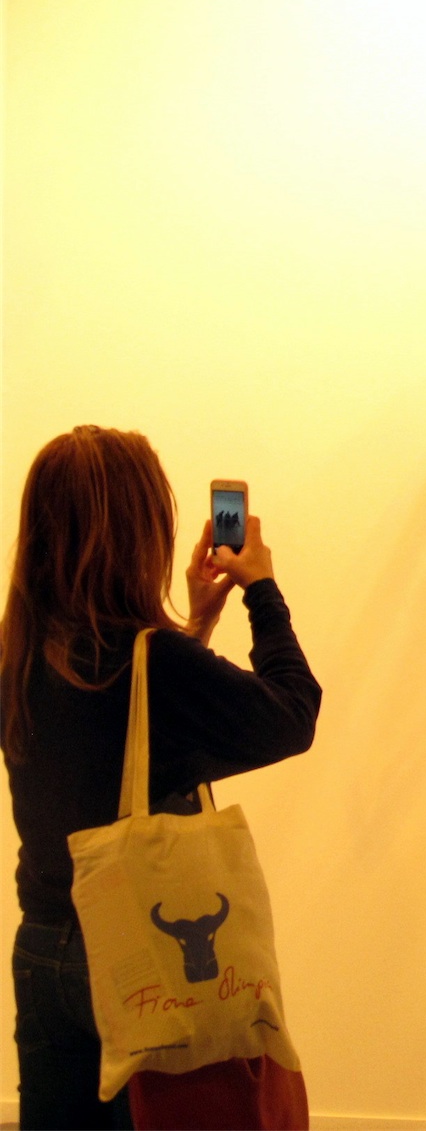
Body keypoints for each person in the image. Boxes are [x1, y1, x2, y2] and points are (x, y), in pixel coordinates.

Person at [0, 426, 321, 1129]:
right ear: (138, 531)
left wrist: (195, 625)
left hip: (42, 949)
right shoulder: (154, 660)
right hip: (138, 960)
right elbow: (294, 714)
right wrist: (261, 588)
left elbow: (128, 744)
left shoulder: (17, 652)